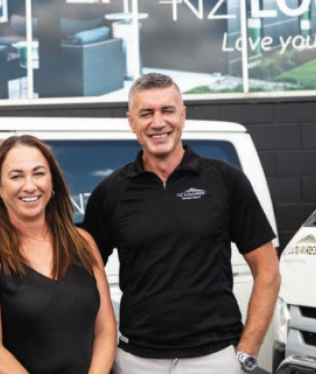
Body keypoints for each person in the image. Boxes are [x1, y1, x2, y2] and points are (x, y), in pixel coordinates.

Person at [83, 73, 281, 373]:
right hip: (137, 360)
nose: (158, 122)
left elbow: (267, 270)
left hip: (215, 358)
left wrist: (247, 350)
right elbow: (85, 277)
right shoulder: (111, 192)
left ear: (183, 115)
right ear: (131, 122)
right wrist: (106, 347)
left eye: (167, 110)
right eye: (146, 113)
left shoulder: (224, 180)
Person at [0, 135, 116, 374]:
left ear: (52, 182)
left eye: (39, 173)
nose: (30, 185)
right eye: (16, 176)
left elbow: (105, 330)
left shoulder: (83, 242)